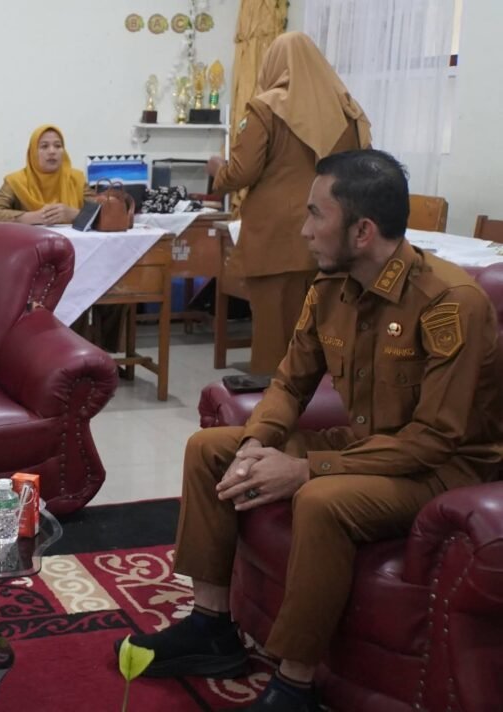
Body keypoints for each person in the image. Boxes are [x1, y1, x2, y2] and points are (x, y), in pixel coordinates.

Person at [119, 150, 503, 711]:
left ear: (362, 231)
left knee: (322, 500)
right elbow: (289, 384)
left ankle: (293, 684)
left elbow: (433, 440)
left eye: (316, 214)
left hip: (445, 468)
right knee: (211, 449)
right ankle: (210, 627)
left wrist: (306, 469)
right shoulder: (330, 288)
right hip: (369, 446)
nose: (303, 230)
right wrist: (256, 442)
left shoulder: (448, 303)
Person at [208, 31, 371, 375]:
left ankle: (275, 404)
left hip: (278, 240)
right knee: (327, 335)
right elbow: (364, 167)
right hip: (335, 234)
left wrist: (218, 170)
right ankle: (326, 403)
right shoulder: (348, 110)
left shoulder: (266, 108)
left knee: (275, 340)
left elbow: (242, 171)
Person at [0, 125, 95, 225]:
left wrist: (75, 214)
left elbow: (100, 213)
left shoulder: (76, 179)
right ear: (33, 153)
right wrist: (35, 217)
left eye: (58, 146)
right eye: (44, 146)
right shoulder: (16, 181)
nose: (52, 151)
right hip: (28, 241)